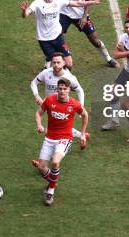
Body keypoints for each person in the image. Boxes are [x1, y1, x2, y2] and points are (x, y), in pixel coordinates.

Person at [20, 0, 105, 70]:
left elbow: (76, 3)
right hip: (44, 39)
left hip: (58, 37)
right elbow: (25, 15)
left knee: (69, 64)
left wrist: (93, 2)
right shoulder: (37, 3)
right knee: (55, 66)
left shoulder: (58, 0)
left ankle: (54, 71)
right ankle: (52, 73)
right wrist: (24, 11)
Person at [34, 78, 88, 206]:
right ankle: (53, 181)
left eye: (65, 89)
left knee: (55, 162)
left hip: (65, 138)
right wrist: (39, 125)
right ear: (57, 89)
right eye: (60, 89)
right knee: (41, 167)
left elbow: (85, 115)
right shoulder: (49, 100)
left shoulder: (74, 104)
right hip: (49, 138)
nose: (62, 91)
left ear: (69, 90)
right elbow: (38, 113)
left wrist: (83, 134)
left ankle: (50, 192)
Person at [54, 0, 117, 68]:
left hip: (80, 15)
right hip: (64, 14)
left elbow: (88, 0)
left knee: (94, 39)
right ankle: (48, 63)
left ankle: (109, 59)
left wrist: (84, 17)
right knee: (55, 37)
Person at [30, 52, 90, 148]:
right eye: (54, 62)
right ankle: (82, 135)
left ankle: (45, 158)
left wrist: (81, 106)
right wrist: (36, 95)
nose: (56, 65)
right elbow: (33, 83)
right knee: (56, 127)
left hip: (63, 105)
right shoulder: (46, 73)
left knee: (54, 129)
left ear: (64, 63)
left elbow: (80, 91)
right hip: (49, 103)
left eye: (58, 62)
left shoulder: (69, 77)